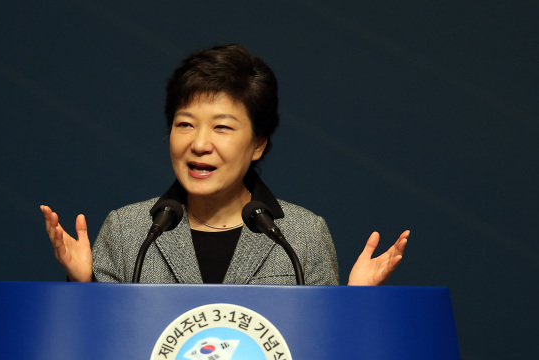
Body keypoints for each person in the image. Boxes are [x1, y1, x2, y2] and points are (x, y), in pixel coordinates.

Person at [41, 44, 408, 285]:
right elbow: (95, 348)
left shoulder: (302, 235)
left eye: (222, 128)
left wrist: (355, 301)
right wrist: (82, 283)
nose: (199, 144)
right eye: (185, 124)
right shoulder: (129, 231)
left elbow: (322, 355)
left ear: (258, 144)